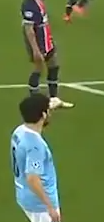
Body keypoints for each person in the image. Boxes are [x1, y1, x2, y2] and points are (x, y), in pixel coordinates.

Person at [21, 0, 73, 109]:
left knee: (54, 65)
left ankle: (53, 98)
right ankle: (34, 101)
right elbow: (29, 29)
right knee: (38, 69)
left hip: (46, 39)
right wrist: (35, 50)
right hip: (38, 42)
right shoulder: (28, 4)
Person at [11, 93, 62, 222]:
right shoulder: (35, 146)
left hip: (23, 194)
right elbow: (32, 178)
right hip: (40, 206)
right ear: (44, 115)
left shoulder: (19, 131)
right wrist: (50, 207)